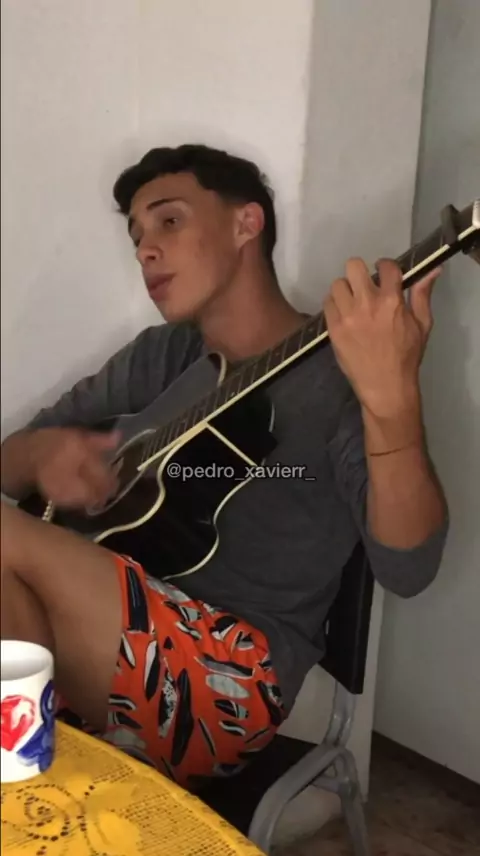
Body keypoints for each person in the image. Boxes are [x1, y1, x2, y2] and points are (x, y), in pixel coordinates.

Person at [0, 143, 448, 790]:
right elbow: (9, 465)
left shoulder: (339, 375)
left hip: (226, 684)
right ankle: (32, 802)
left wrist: (393, 400)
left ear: (246, 223)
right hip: (95, 636)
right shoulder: (163, 355)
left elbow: (410, 569)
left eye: (169, 220)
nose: (145, 250)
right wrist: (43, 455)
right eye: (136, 237)